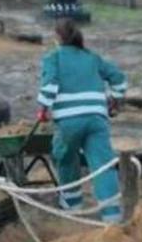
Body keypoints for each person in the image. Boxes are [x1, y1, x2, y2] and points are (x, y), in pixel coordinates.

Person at [36, 20, 128, 223]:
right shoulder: (92, 57)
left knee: (66, 158)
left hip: (69, 121)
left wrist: (42, 109)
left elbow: (50, 85)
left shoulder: (53, 58)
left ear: (57, 39)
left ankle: (72, 206)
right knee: (103, 165)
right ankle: (112, 215)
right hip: (97, 117)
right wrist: (115, 100)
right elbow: (119, 78)